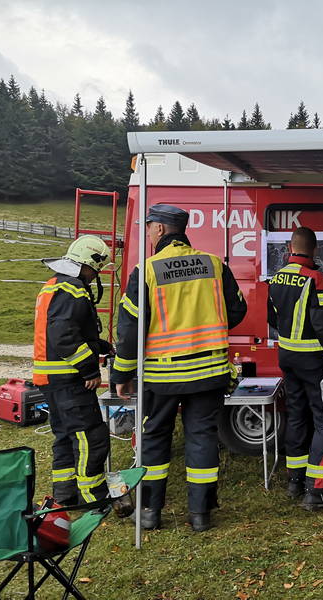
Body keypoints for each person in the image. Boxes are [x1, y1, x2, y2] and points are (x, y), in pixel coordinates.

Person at [112, 204, 247, 532]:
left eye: (148, 227)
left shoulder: (147, 270)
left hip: (162, 376)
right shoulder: (214, 264)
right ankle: (201, 515)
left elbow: (130, 330)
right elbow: (237, 310)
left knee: (155, 438)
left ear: (159, 229)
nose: (147, 233)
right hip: (209, 371)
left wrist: (121, 375)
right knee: (202, 438)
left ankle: (150, 512)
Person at [267, 226, 323, 511]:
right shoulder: (315, 278)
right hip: (313, 361)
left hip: (287, 357)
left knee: (296, 417)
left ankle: (295, 481)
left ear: (290, 248)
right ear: (314, 249)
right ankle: (316, 491)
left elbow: (272, 319)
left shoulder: (277, 277)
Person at [33, 235, 114, 506]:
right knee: (91, 436)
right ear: (89, 264)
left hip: (52, 379)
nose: (96, 275)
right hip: (69, 379)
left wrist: (102, 346)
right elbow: (63, 335)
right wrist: (89, 370)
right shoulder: (73, 289)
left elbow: (67, 330)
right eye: (96, 269)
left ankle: (65, 494)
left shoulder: (54, 285)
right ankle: (93, 496)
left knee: (66, 436)